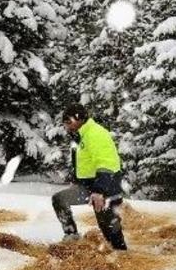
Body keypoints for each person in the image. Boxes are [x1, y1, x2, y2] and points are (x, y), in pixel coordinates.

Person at [51, 103, 127, 250]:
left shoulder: (95, 134)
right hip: (90, 187)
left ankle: (121, 254)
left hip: (107, 187)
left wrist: (99, 191)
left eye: (69, 122)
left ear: (79, 119)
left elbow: (106, 163)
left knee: (110, 229)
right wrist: (77, 182)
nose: (67, 126)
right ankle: (71, 236)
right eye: (65, 123)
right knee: (60, 199)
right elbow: (83, 163)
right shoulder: (81, 135)